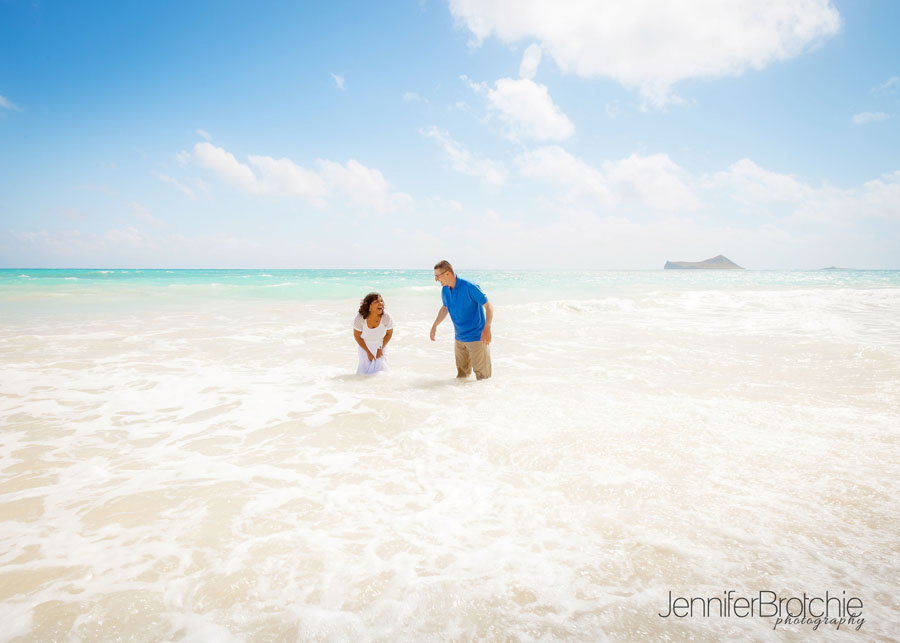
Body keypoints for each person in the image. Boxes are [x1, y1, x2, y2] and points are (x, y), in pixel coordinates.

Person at [430, 260, 493, 380]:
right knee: (461, 377)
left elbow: (489, 306)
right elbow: (445, 308)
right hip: (459, 339)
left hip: (477, 338)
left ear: (448, 274)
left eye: (438, 276)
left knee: (483, 378)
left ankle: (484, 398)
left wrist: (487, 327)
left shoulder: (469, 286)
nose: (436, 279)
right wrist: (435, 325)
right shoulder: (445, 289)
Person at [353, 292, 393, 374]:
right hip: (364, 345)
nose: (380, 303)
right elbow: (357, 336)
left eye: (381, 301)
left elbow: (389, 333)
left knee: (382, 372)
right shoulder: (360, 318)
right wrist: (368, 352)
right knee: (364, 373)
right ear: (369, 306)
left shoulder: (386, 317)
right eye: (376, 302)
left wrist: (380, 348)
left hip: (381, 344)